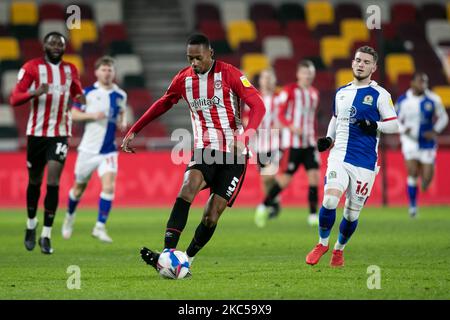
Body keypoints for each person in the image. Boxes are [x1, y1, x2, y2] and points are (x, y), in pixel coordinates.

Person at [121, 33, 265, 275]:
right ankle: (166, 255)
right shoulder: (184, 79)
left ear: (211, 54)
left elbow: (259, 105)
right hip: (205, 150)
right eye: (190, 59)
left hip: (234, 156)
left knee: (211, 216)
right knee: (188, 187)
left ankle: (186, 259)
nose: (194, 63)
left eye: (198, 58)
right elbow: (163, 103)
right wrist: (135, 129)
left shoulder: (231, 74)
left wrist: (245, 136)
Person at [305, 46, 399, 267]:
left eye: (366, 62)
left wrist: (374, 124)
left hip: (365, 162)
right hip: (339, 156)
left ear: (374, 67)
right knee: (329, 200)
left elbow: (394, 124)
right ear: (352, 63)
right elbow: (336, 118)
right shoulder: (342, 92)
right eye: (358, 60)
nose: (360, 64)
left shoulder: (381, 95)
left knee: (351, 215)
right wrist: (329, 139)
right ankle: (322, 243)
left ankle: (339, 249)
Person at [9, 32, 85, 254]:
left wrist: (81, 98)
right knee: (35, 181)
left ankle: (46, 235)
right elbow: (14, 98)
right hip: (36, 134)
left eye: (60, 44)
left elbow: (77, 92)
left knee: (53, 181)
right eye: (52, 43)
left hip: (60, 133)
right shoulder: (32, 67)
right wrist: (35, 92)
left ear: (64, 47)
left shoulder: (71, 69)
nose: (55, 47)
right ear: (44, 45)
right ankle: (31, 225)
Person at [61, 56, 128, 242]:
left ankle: (99, 227)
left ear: (114, 73)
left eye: (110, 70)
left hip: (108, 150)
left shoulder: (121, 94)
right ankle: (69, 217)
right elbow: (73, 114)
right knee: (78, 189)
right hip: (88, 150)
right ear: (97, 72)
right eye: (104, 70)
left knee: (109, 186)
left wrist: (122, 120)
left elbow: (121, 110)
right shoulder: (87, 92)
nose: (107, 73)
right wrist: (92, 115)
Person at [255, 60, 320, 228]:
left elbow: (288, 117)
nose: (307, 76)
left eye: (270, 77)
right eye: (265, 78)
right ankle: (270, 202)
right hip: (264, 143)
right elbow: (251, 117)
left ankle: (313, 215)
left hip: (285, 142)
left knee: (314, 177)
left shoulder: (312, 94)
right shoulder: (260, 97)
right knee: (271, 178)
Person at [396, 72, 448, 218]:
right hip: (410, 141)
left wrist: (435, 131)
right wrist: (402, 129)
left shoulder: (433, 99)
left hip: (427, 143)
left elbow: (443, 117)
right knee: (412, 173)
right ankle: (412, 207)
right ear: (412, 83)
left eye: (425, 82)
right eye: (420, 82)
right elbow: (394, 118)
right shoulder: (403, 100)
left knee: (425, 182)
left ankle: (426, 178)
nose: (423, 85)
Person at [243, 69, 282, 220]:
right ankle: (274, 202)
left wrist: (277, 126)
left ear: (274, 80)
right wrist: (254, 127)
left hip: (276, 142)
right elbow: (247, 117)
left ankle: (271, 201)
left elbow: (284, 116)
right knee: (265, 178)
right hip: (259, 144)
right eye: (265, 77)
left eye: (270, 77)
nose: (267, 80)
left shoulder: (279, 98)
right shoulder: (255, 97)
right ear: (260, 81)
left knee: (269, 175)